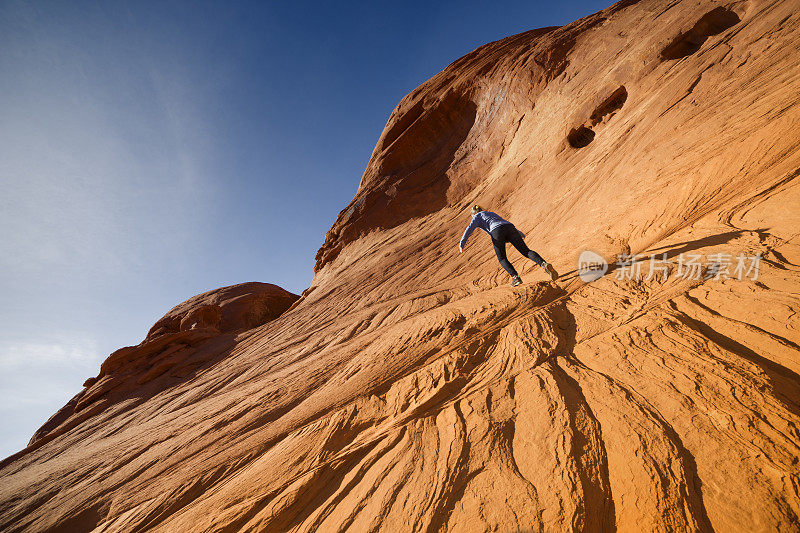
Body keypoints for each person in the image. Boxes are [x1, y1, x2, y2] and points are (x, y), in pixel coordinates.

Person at [458, 205, 558, 286]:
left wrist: (462, 243)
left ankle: (515, 278)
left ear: (473, 214)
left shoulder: (476, 217)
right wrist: (519, 233)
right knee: (526, 251)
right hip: (510, 228)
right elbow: (503, 222)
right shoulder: (491, 213)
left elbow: (469, 229)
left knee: (502, 258)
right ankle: (544, 265)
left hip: (497, 232)